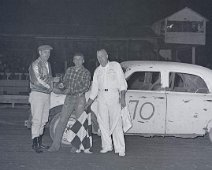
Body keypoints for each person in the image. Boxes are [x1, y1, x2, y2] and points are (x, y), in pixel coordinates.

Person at [85, 49, 127, 157]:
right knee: (103, 123)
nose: (100, 59)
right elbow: (94, 90)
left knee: (116, 122)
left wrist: (122, 98)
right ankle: (107, 146)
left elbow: (122, 83)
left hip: (114, 95)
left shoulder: (115, 66)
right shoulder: (97, 71)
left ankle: (120, 148)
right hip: (101, 97)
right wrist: (88, 103)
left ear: (107, 56)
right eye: (98, 57)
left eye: (102, 56)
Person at [48, 53, 92, 153]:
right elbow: (65, 82)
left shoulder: (86, 72)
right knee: (62, 121)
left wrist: (70, 90)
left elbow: (85, 87)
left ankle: (76, 146)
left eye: (80, 59)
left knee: (79, 123)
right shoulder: (69, 70)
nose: (77, 61)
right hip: (69, 98)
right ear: (73, 60)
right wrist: (61, 85)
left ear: (83, 61)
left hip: (80, 99)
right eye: (75, 59)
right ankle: (55, 146)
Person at [29, 45, 59, 153]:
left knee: (44, 119)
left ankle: (39, 142)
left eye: (49, 53)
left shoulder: (48, 64)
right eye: (45, 52)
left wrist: (52, 85)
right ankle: (35, 143)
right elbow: (37, 80)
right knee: (37, 119)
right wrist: (51, 85)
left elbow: (48, 79)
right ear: (40, 52)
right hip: (37, 94)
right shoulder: (35, 64)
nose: (48, 55)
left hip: (46, 95)